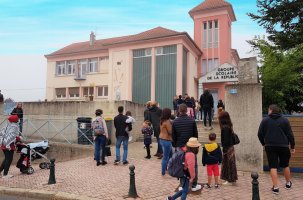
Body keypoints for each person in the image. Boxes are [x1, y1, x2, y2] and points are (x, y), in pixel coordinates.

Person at [258, 104, 295, 195]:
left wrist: (264, 143)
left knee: (273, 166)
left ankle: (275, 188)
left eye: (268, 110)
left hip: (270, 146)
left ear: (270, 110)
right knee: (285, 165)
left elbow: (259, 134)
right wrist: (292, 146)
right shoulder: (285, 120)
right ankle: (288, 184)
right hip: (284, 146)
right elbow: (290, 135)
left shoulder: (265, 120)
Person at [172, 104, 201, 192]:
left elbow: (174, 136)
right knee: (193, 165)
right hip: (191, 146)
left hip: (180, 146)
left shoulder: (175, 122)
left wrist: (175, 145)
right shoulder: (191, 121)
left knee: (181, 165)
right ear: (187, 111)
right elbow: (195, 134)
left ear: (179, 111)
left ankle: (182, 185)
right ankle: (194, 184)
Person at [219, 111, 238, 184]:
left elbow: (225, 140)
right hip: (230, 147)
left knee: (228, 164)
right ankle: (231, 179)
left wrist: (224, 149)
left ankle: (229, 180)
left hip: (227, 148)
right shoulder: (229, 125)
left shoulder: (225, 127)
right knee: (230, 163)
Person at [159, 108, 172, 175]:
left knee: (169, 155)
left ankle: (167, 168)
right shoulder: (167, 122)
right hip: (167, 140)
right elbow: (170, 132)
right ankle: (163, 172)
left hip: (161, 139)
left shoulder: (161, 120)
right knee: (165, 157)